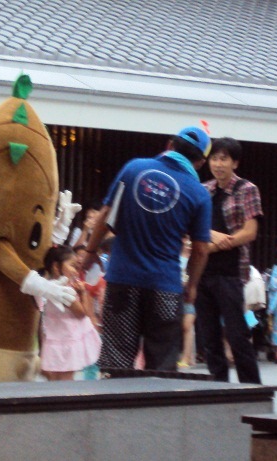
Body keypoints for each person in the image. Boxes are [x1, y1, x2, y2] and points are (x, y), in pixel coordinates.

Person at [83, 125, 212, 371]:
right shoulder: (199, 194)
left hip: (122, 280)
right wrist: (192, 285)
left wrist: (90, 253)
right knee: (161, 367)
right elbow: (202, 249)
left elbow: (106, 214)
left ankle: (113, 408)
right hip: (165, 287)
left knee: (116, 359)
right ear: (200, 162)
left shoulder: (134, 168)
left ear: (170, 145)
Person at [195, 137, 263, 384]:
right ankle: (217, 390)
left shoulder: (247, 189)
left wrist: (214, 245)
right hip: (202, 272)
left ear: (235, 162)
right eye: (214, 158)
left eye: (224, 158)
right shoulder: (203, 189)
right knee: (209, 338)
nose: (218, 164)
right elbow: (194, 228)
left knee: (237, 336)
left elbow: (250, 232)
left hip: (231, 272)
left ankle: (252, 390)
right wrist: (215, 238)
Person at [38, 246, 101, 381]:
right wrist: (82, 293)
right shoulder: (64, 290)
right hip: (67, 342)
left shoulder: (48, 287)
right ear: (56, 267)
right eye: (72, 266)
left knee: (53, 380)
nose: (76, 271)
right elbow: (81, 313)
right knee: (66, 381)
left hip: (54, 341)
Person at [178, 237, 196, 368]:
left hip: (189, 294)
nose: (188, 245)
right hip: (177, 292)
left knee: (187, 326)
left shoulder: (194, 259)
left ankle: (187, 356)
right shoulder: (176, 256)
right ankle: (188, 356)